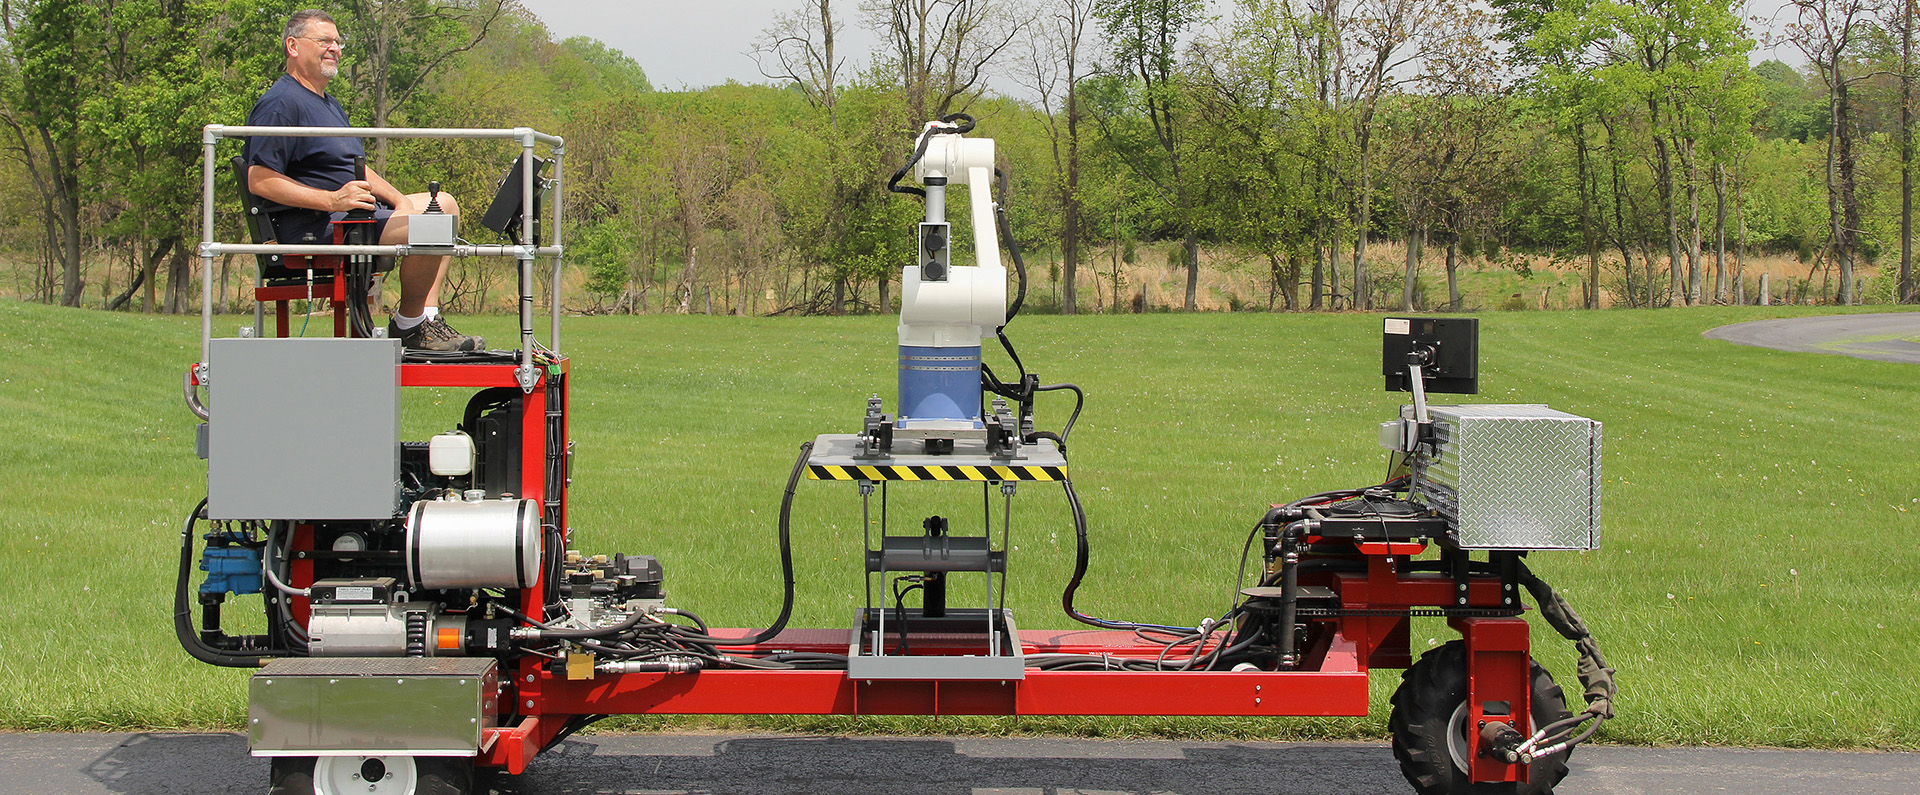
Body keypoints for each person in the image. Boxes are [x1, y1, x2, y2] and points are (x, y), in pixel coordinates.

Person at [244, 9, 482, 352]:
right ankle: (409, 326)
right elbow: (260, 179)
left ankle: (427, 319)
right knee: (434, 226)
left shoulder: (330, 105)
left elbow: (356, 168)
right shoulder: (280, 103)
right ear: (293, 46)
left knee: (443, 204)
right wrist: (331, 201)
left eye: (338, 42)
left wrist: (400, 200)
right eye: (324, 40)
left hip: (353, 214)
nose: (335, 48)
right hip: (319, 226)